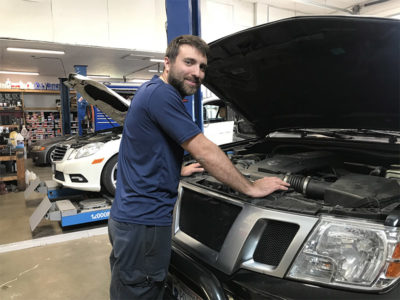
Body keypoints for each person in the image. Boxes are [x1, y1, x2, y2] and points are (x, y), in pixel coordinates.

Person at [108, 35, 290, 300]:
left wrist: (174, 171)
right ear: (167, 63)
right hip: (144, 226)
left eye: (202, 66)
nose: (197, 72)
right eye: (189, 62)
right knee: (141, 293)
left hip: (129, 220)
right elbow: (203, 150)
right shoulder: (162, 96)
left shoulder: (148, 91)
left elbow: (139, 150)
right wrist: (250, 187)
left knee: (130, 285)